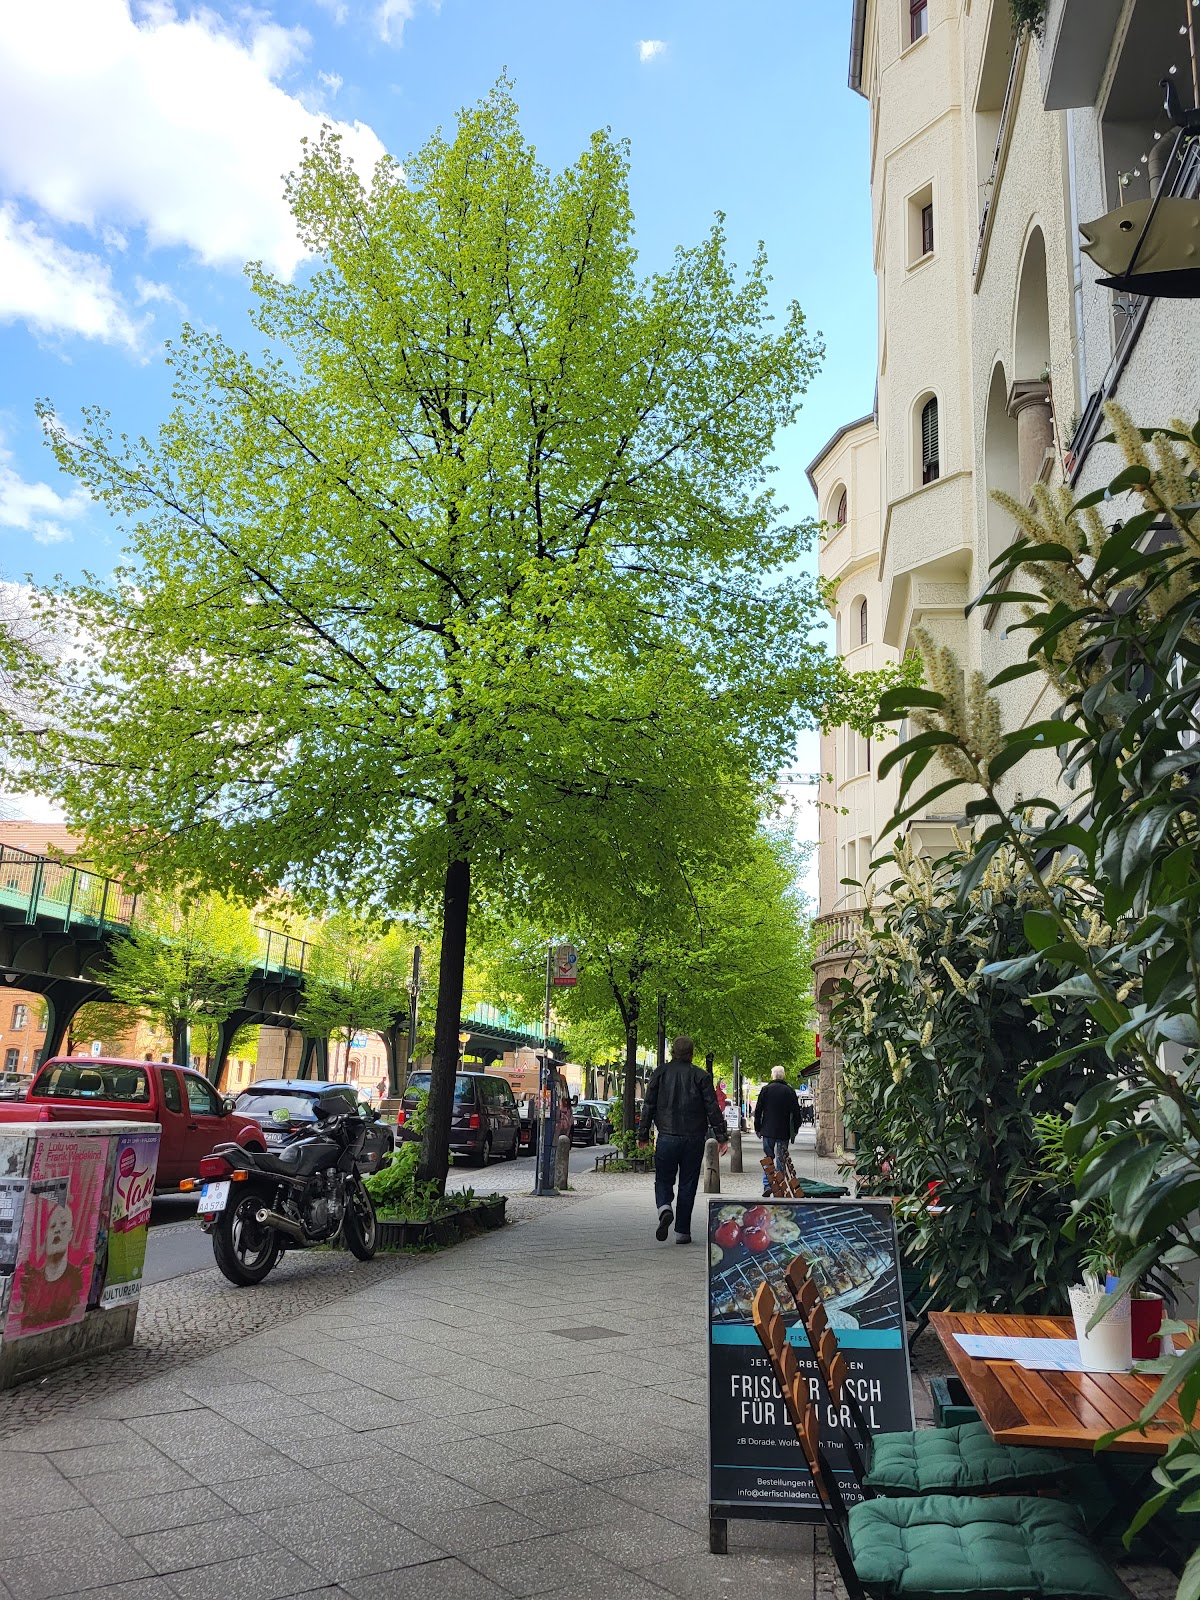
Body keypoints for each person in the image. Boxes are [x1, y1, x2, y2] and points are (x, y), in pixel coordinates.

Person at [638, 1036, 729, 1244]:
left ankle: (664, 1207)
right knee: (688, 1183)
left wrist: (643, 1134)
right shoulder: (701, 1076)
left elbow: (648, 1105)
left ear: (673, 1052)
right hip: (693, 1138)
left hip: (667, 1136)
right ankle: (682, 1232)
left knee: (663, 1178)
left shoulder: (660, 1073)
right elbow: (712, 1108)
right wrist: (721, 1137)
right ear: (692, 1054)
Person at [754, 1065, 803, 1196]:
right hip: (783, 1131)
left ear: (773, 1075)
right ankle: (780, 1187)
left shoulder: (766, 1090)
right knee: (781, 1159)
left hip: (768, 1130)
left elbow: (758, 1110)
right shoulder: (789, 1091)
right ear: (783, 1076)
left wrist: (757, 1128)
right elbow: (796, 1112)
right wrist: (795, 1128)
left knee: (768, 1158)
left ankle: (767, 1184)